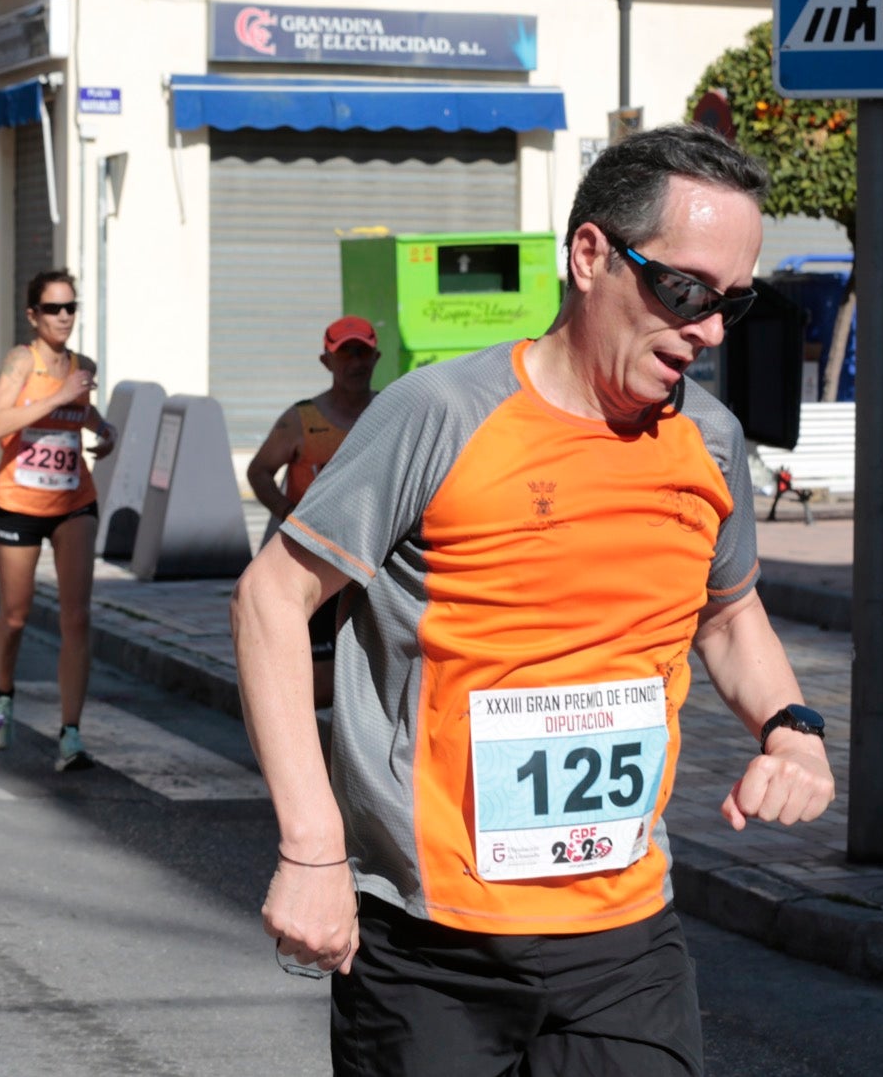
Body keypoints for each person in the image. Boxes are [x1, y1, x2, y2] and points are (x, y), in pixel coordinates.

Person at [230, 124, 836, 1076]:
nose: (710, 330)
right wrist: (312, 848)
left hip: (626, 941)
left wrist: (791, 727)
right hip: (433, 945)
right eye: (685, 291)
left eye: (733, 303)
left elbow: (726, 611)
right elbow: (272, 597)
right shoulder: (442, 414)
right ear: (591, 254)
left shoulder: (710, 439)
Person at [0, 270, 118, 772]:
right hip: (19, 503)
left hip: (73, 500)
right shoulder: (23, 360)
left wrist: (102, 429)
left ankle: (71, 733)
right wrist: (59, 396)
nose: (64, 318)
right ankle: (3, 691)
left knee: (76, 616)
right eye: (53, 309)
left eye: (71, 308)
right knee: (15, 616)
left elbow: (80, 416)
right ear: (33, 315)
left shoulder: (83, 366)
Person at [245, 315, 379, 707]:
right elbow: (259, 471)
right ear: (327, 362)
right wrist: (289, 513)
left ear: (376, 358)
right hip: (314, 566)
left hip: (372, 568)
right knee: (320, 685)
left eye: (363, 353)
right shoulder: (302, 420)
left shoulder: (389, 411)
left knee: (367, 683)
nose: (355, 363)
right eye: (345, 354)